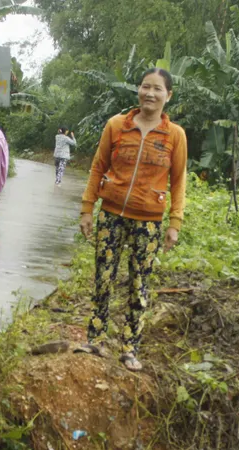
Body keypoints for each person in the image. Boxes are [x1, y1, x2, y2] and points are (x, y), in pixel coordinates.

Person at [78, 68, 187, 371]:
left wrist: (174, 223)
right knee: (103, 278)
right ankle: (95, 339)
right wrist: (88, 208)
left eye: (157, 89)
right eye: (145, 87)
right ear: (138, 90)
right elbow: (98, 166)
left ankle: (129, 348)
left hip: (149, 221)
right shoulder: (116, 125)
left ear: (169, 95)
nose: (149, 94)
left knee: (139, 285)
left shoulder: (174, 135)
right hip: (111, 215)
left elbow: (178, 181)